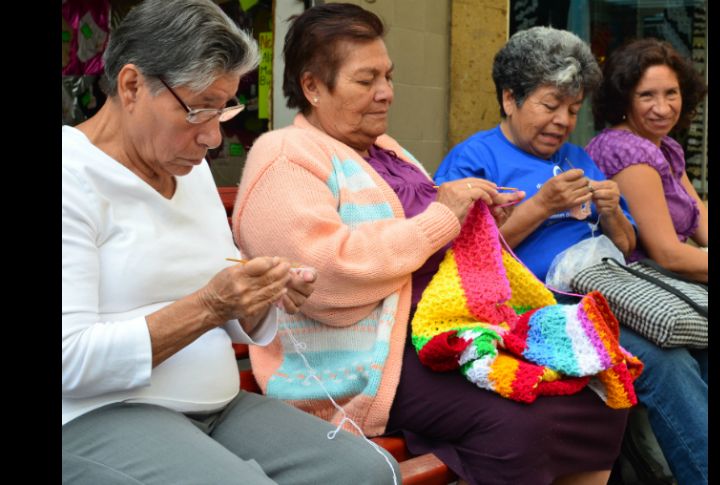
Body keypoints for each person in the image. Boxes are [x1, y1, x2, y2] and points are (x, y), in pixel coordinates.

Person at [234, 6, 628, 485]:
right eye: (366, 80)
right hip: (373, 355)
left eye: (388, 76)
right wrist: (445, 217)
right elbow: (325, 279)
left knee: (599, 388)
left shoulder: (388, 150)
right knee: (518, 418)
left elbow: (431, 239)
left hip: (444, 331)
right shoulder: (284, 157)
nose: (386, 93)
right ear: (313, 86)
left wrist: (477, 223)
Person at [61, 1, 400, 484]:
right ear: (132, 85)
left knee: (368, 472)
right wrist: (209, 306)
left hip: (217, 406)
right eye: (198, 110)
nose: (213, 138)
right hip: (99, 414)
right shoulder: (71, 176)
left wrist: (260, 294)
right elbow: (68, 360)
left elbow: (222, 302)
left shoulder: (189, 170)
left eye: (224, 110)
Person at [433, 26, 637, 484]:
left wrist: (611, 213)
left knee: (682, 348)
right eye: (550, 105)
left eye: (573, 109)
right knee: (650, 359)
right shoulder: (473, 160)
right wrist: (542, 205)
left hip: (604, 297)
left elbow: (625, 245)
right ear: (510, 98)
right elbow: (462, 262)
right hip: (527, 314)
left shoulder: (580, 157)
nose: (563, 120)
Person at [586, 38, 708, 485]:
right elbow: (667, 253)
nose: (662, 107)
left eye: (671, 93)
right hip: (641, 295)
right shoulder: (626, 150)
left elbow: (703, 228)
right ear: (623, 99)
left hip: (677, 289)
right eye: (647, 96)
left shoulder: (665, 149)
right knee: (671, 365)